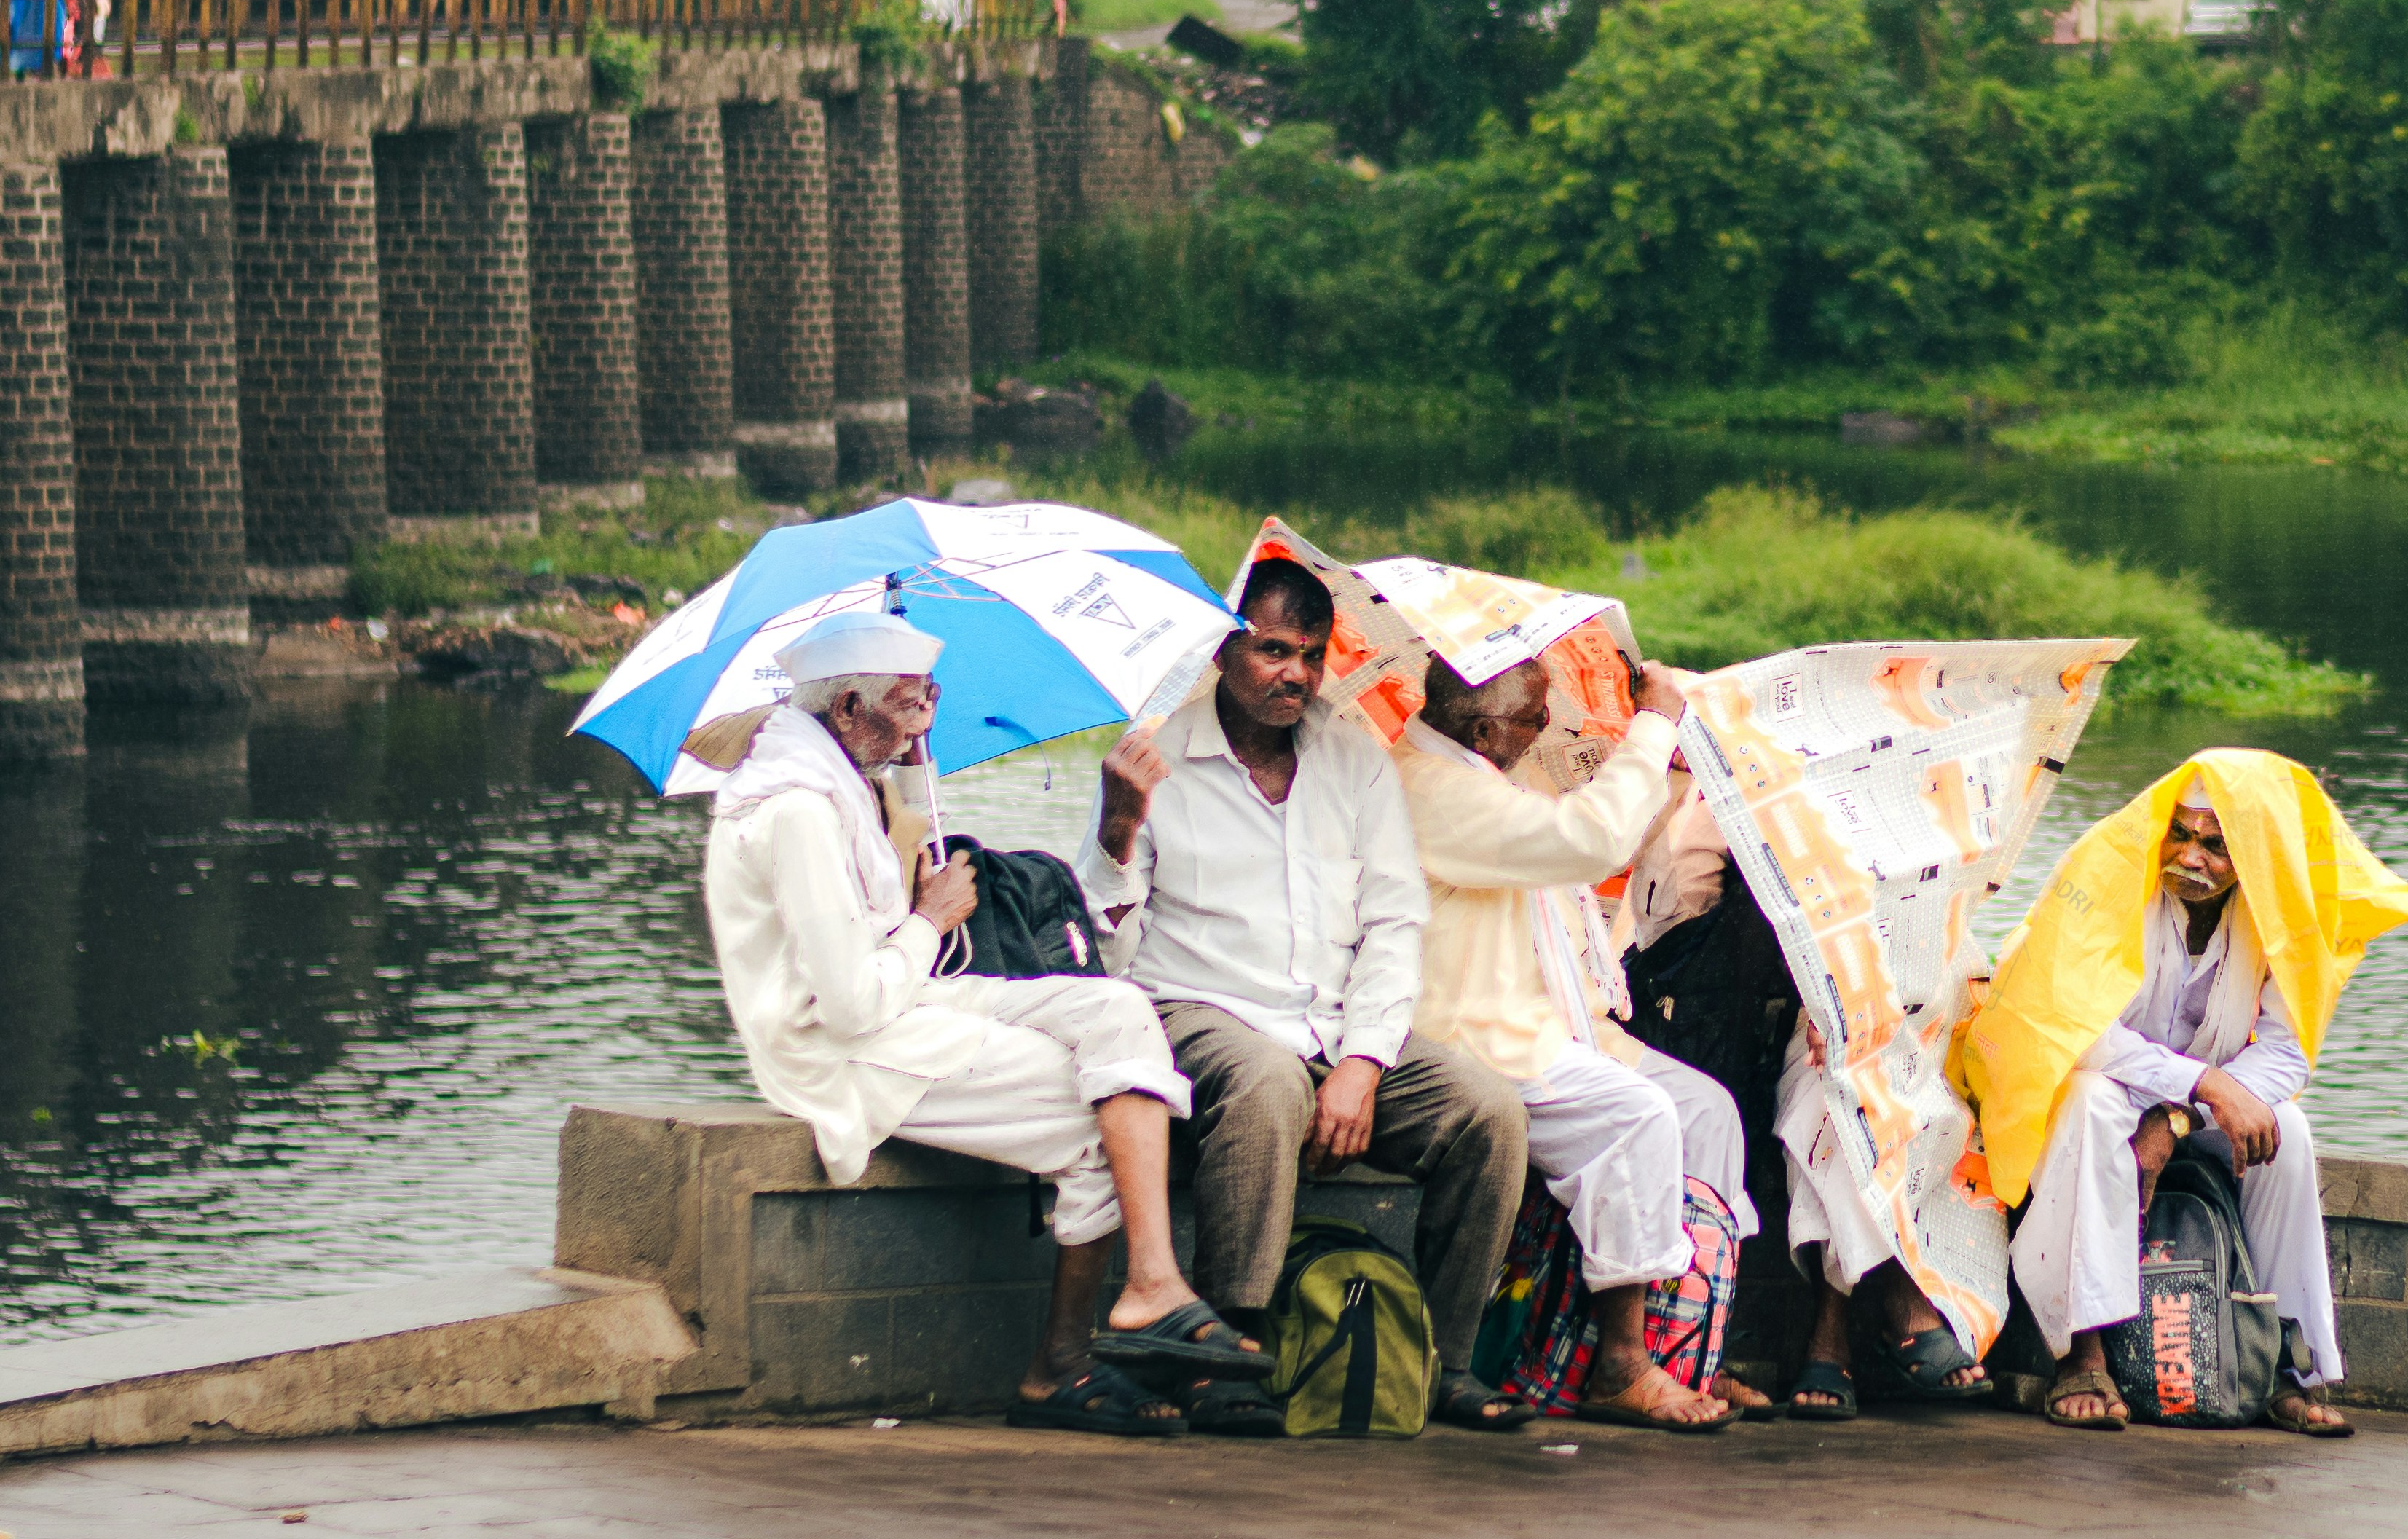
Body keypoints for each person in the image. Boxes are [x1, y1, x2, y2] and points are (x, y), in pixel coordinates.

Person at [697, 608, 1267, 1436]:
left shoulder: (852, 788)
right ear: (847, 710)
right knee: (1103, 1115)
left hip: (905, 1003)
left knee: (1117, 1011)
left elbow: (879, 949)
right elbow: (852, 1004)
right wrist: (929, 917)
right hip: (842, 1048)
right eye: (909, 704)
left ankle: (1151, 1280)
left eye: (931, 698)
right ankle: (1062, 1363)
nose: (925, 722)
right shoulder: (797, 810)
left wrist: (908, 868)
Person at [1081, 558, 1539, 1434]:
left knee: (1488, 1109)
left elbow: (1397, 924)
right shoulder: (1154, 758)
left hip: (1332, 1025)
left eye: (1312, 654)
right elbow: (1103, 954)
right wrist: (1115, 828)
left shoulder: (1352, 757)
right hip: (1197, 1011)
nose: (1296, 673)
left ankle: (1442, 1358)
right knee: (1265, 1081)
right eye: (1274, 650)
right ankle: (1226, 1350)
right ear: (1226, 648)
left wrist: (1364, 1062)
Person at [1973, 751, 2408, 1435]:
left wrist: (2181, 1115)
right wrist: (2204, 1084)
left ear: (2252, 856)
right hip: (2090, 1088)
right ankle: (2082, 1358)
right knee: (2092, 1101)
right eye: (2180, 834)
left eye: (2215, 844)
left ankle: (2284, 1367)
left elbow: (2287, 1050)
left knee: (2288, 1130)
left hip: (2189, 1106)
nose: (2190, 856)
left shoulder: (2280, 920)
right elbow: (2081, 1032)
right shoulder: (2114, 885)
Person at [1393, 648, 1763, 1430]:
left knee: (1708, 1111)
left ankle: (1693, 1346)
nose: (1542, 730)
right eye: (1533, 718)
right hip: (1468, 1030)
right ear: (1487, 726)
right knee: (1633, 1114)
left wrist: (1668, 750)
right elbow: (1589, 839)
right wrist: (1655, 725)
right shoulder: (1432, 789)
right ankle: (1621, 1364)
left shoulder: (1485, 771)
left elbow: (1607, 832)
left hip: (1546, 1013)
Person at [1614, 778, 1994, 1417]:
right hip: (1789, 1032)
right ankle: (1897, 1298)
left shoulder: (1922, 813)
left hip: (1901, 1031)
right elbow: (1669, 921)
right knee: (1828, 1094)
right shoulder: (1733, 806)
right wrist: (1822, 997)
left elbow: (1940, 959)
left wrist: (1858, 1005)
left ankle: (1831, 1332)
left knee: (1851, 1092)